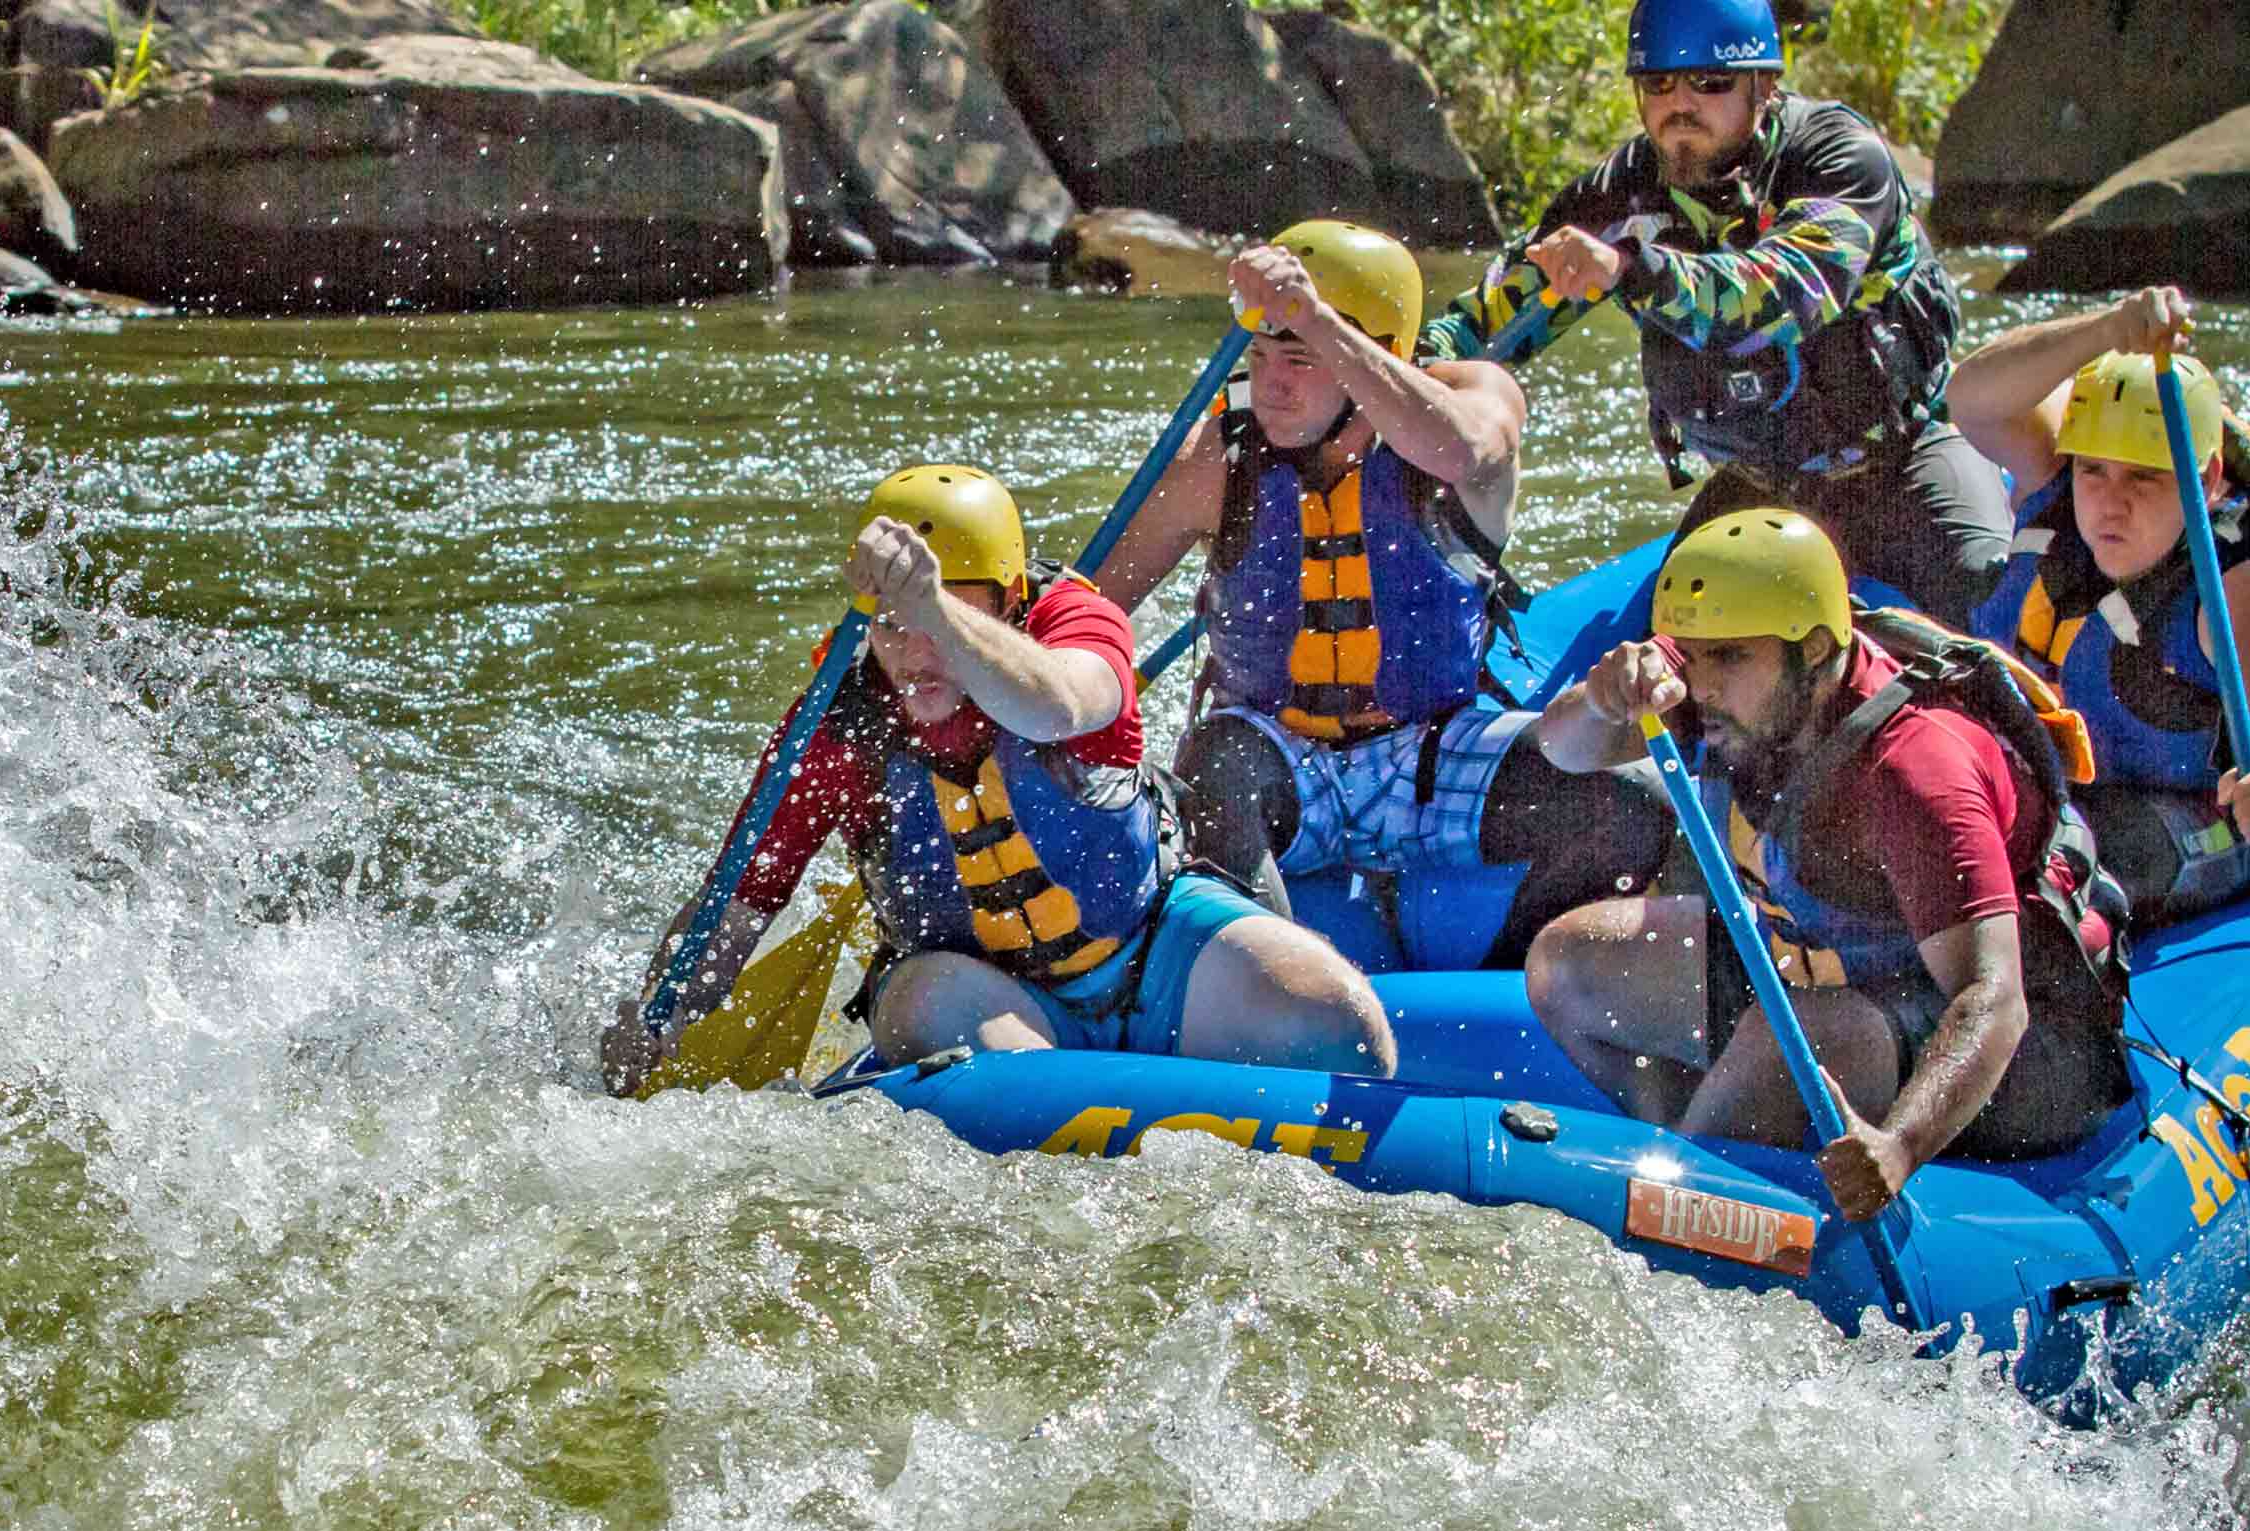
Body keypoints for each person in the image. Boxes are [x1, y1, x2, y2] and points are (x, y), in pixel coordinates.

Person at [600, 464, 1396, 1097]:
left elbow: (1060, 705)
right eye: (892, 625)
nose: (916, 654)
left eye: (943, 620)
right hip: (970, 990)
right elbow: (736, 910)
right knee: (979, 1051)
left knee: (1344, 1025)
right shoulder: (835, 725)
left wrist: (933, 607)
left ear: (1009, 605)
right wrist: (659, 1019)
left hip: (1150, 944)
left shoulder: (1077, 626)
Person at [1522, 510, 2130, 1220]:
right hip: (1833, 970)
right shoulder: (1738, 692)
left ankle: (1692, 1202)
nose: (1702, 685)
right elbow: (1562, 748)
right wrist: (1600, 699)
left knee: (1800, 1035)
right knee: (1569, 963)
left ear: (1813, 651)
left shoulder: (1915, 770)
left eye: (1728, 658)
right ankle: (1695, 1148)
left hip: (2029, 1053)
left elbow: (1994, 999)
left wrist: (1898, 1147)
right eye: (1691, 655)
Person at [1095, 218, 1672, 966]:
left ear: (1376, 353)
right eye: (1261, 353)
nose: (1270, 382)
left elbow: (1461, 448)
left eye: (1298, 358)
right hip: (1276, 755)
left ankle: (1509, 985)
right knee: (1215, 761)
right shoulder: (1219, 455)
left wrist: (1318, 320)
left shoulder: (1473, 399)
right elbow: (1098, 607)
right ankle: (1270, 992)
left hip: (1430, 749)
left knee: (1632, 806)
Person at [1418, 0, 2008, 624]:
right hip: (1760, 486)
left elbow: (1779, 297)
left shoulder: (1841, 160)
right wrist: (1404, 365)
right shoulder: (1620, 191)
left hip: (1904, 462)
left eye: (1710, 83)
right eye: (1658, 84)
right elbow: (1491, 317)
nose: (1681, 105)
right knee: (1672, 649)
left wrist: (1634, 269)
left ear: (1765, 84)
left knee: (1986, 599)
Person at [1945, 286, 2250, 926]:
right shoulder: (2056, 483)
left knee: (2090, 856)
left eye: (2146, 477)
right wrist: (2105, 330)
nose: (2112, 502)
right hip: (2049, 786)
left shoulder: (2243, 580)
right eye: (2096, 472)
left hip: (2180, 819)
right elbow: (1970, 396)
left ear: (2209, 477)